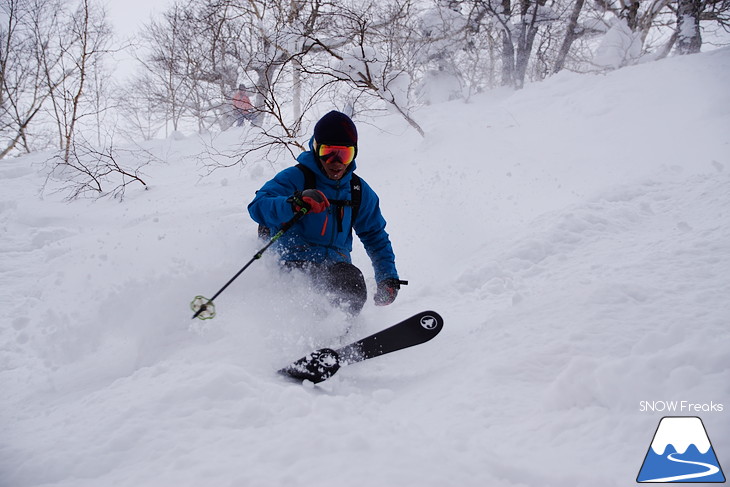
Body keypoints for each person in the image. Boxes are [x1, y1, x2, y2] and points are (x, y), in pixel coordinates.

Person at [247, 110, 404, 315]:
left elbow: (375, 236)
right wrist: (294, 203)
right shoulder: (296, 177)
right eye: (328, 153)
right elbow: (258, 206)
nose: (336, 162)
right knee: (309, 293)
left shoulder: (358, 191)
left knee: (351, 283)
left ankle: (340, 337)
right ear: (315, 149)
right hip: (291, 262)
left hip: (336, 268)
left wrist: (386, 276)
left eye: (344, 154)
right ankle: (307, 336)